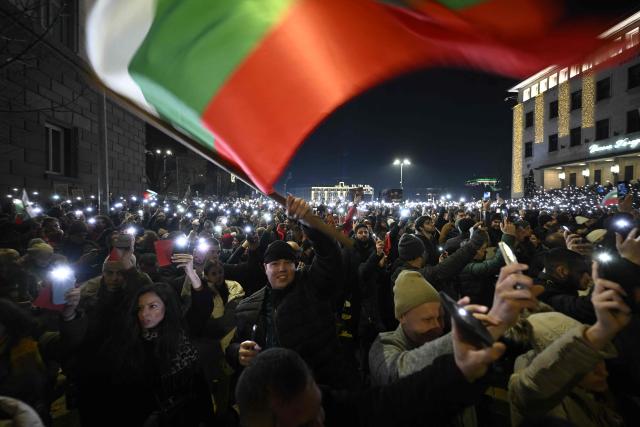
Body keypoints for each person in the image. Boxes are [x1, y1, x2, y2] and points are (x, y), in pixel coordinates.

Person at [235, 298, 508, 427]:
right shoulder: (384, 345)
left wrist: (460, 369)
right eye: (305, 425)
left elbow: (395, 402)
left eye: (319, 408)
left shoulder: (333, 412)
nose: (321, 422)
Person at [226, 196, 356, 390]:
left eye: (288, 262)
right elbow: (235, 345)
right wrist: (237, 352)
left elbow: (330, 258)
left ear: (296, 265)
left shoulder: (312, 286)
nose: (282, 268)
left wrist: (309, 223)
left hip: (315, 389)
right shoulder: (249, 306)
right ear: (265, 268)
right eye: (275, 264)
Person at [509, 264, 631, 426]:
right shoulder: (536, 394)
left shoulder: (602, 392)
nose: (602, 371)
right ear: (563, 366)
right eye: (588, 366)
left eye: (598, 358)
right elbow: (532, 387)